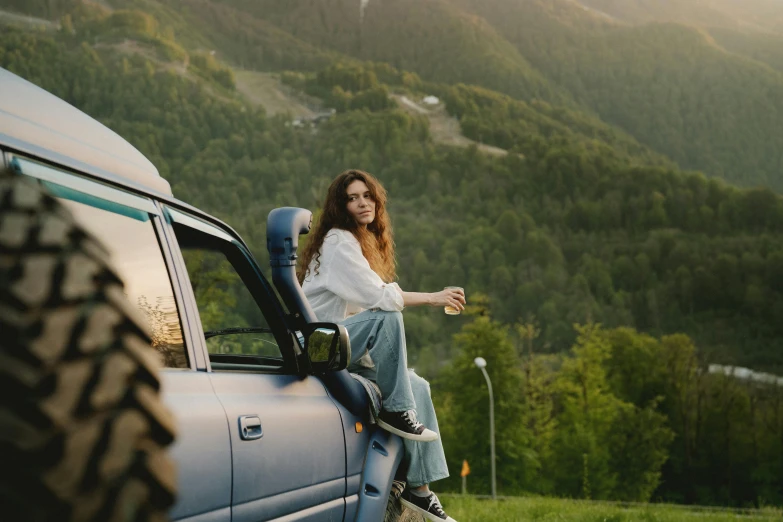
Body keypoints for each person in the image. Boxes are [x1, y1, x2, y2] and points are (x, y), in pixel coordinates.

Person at [300, 169, 465, 522]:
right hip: (325, 346)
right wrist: (435, 298)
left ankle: (420, 492)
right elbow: (380, 301)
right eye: (353, 198)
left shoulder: (358, 242)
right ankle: (395, 411)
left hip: (346, 345)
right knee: (387, 316)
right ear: (340, 207)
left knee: (417, 385)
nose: (363, 203)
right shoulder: (338, 242)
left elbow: (367, 306)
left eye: (367, 196)